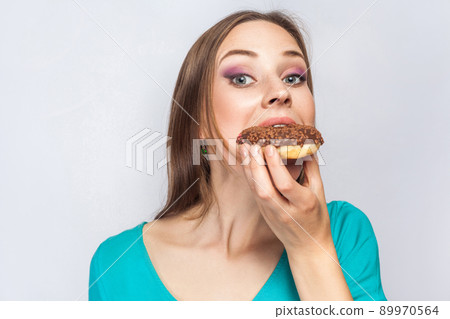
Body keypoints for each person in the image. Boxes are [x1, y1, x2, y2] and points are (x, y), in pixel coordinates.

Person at [88, 10, 387, 301]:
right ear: (198, 122)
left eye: (294, 78)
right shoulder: (115, 265)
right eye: (242, 78)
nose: (281, 92)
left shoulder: (345, 235)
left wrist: (310, 248)